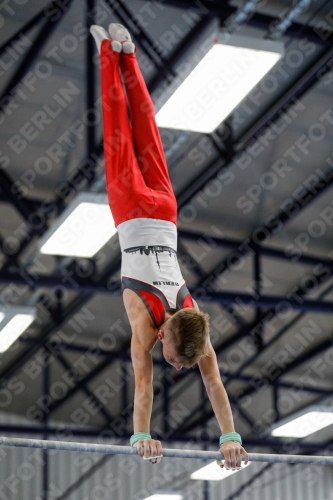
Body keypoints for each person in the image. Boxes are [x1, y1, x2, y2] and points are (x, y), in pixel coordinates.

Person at [90, 23, 248, 470]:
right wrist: (142, 435)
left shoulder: (195, 320)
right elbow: (144, 386)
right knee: (119, 127)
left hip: (165, 208)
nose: (179, 367)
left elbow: (214, 383)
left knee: (146, 129)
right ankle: (107, 50)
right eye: (178, 361)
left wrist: (231, 438)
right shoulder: (146, 324)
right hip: (132, 210)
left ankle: (129, 52)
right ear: (164, 335)